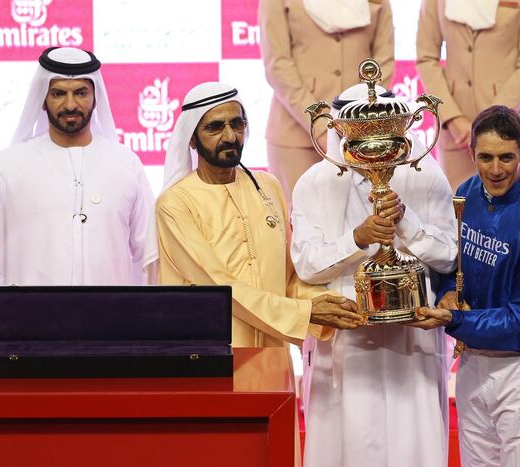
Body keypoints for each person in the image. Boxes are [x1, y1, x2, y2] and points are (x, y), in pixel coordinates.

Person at [291, 84, 458, 467]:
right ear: (341, 130)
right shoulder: (313, 183)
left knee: (413, 451)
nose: (372, 144)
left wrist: (406, 222)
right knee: (346, 455)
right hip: (347, 345)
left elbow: (449, 253)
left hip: (411, 343)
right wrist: (357, 239)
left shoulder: (425, 173)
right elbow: (306, 265)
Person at [416, 105, 520, 467]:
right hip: (472, 368)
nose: (496, 169)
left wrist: (457, 320)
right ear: (471, 154)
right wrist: (445, 293)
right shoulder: (465, 194)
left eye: (507, 157)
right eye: (485, 157)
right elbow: (450, 264)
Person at [151, 81, 363, 348]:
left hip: (271, 352)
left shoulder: (267, 186)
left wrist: (329, 302)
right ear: (192, 139)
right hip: (211, 354)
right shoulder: (175, 204)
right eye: (215, 127)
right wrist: (303, 313)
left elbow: (287, 277)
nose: (230, 136)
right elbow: (217, 287)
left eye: (237, 124)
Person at [0, 46, 153, 285]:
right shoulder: (8, 164)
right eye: (58, 94)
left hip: (108, 318)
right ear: (42, 99)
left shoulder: (125, 164)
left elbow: (148, 254)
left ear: (95, 97)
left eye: (81, 93)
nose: (70, 105)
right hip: (29, 318)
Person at [259, 0, 394, 209]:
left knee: (362, 227)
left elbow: (383, 62)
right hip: (295, 135)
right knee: (296, 225)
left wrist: (357, 122)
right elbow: (277, 65)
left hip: (359, 136)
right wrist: (323, 127)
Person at [416, 0, 520, 190]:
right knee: (458, 216)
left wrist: (487, 124)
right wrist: (453, 119)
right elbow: (426, 59)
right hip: (457, 137)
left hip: (511, 132)